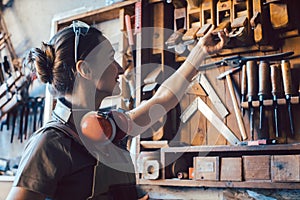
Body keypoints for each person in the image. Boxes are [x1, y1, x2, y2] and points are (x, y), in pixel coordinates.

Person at [6, 20, 229, 200]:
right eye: (111, 59)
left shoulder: (109, 128)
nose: (121, 69)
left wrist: (201, 51)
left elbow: (164, 99)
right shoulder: (50, 143)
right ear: (85, 69)